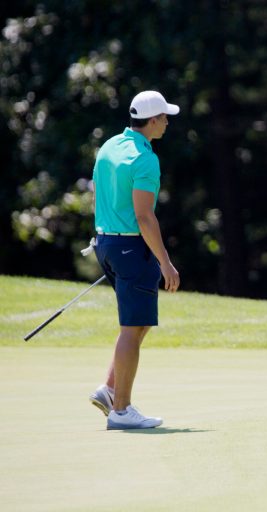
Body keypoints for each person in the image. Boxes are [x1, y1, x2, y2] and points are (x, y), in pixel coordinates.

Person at [88, 90, 181, 428]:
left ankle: (110, 389)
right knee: (133, 328)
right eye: (164, 118)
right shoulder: (146, 159)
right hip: (130, 247)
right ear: (152, 120)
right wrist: (165, 263)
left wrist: (106, 237)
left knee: (137, 323)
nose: (168, 123)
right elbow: (144, 217)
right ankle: (122, 411)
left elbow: (97, 193)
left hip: (108, 243)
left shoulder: (110, 146)